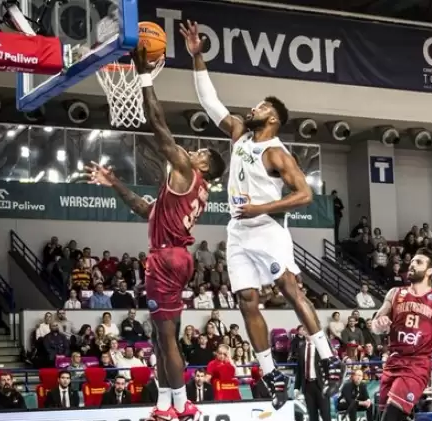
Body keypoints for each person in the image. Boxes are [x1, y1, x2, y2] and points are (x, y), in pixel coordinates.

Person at [180, 20, 343, 408]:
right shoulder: (238, 133)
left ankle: (328, 357)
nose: (253, 108)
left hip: (267, 226)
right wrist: (197, 56)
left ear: (272, 118)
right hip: (237, 229)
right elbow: (209, 101)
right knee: (247, 301)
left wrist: (261, 206)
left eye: (262, 107)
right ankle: (270, 374)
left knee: (289, 288)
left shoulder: (277, 153)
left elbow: (304, 195)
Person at [86, 46, 225, 421]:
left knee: (165, 339)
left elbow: (159, 123)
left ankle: (181, 406)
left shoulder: (187, 172)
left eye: (201, 153)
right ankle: (165, 404)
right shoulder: (195, 190)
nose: (194, 151)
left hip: (165, 260)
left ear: (206, 168)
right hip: (175, 257)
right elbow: (145, 209)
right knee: (162, 339)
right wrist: (115, 181)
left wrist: (144, 75)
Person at [370, 248, 432, 421]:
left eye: (418, 262)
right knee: (388, 416)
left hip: (417, 365)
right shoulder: (395, 293)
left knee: (390, 417)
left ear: (429, 271)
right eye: (411, 262)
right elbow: (375, 325)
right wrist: (379, 324)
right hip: (393, 361)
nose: (412, 265)